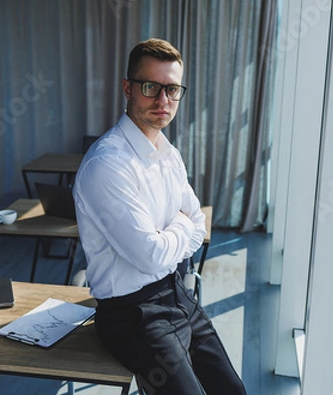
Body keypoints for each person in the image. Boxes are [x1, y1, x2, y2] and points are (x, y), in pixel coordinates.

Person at [73, 38, 246, 395]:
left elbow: (200, 226)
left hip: (177, 294)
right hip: (131, 316)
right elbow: (150, 255)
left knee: (233, 392)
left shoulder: (169, 154)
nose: (162, 101)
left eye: (172, 89)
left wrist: (175, 231)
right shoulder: (108, 164)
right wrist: (182, 225)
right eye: (151, 87)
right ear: (128, 88)